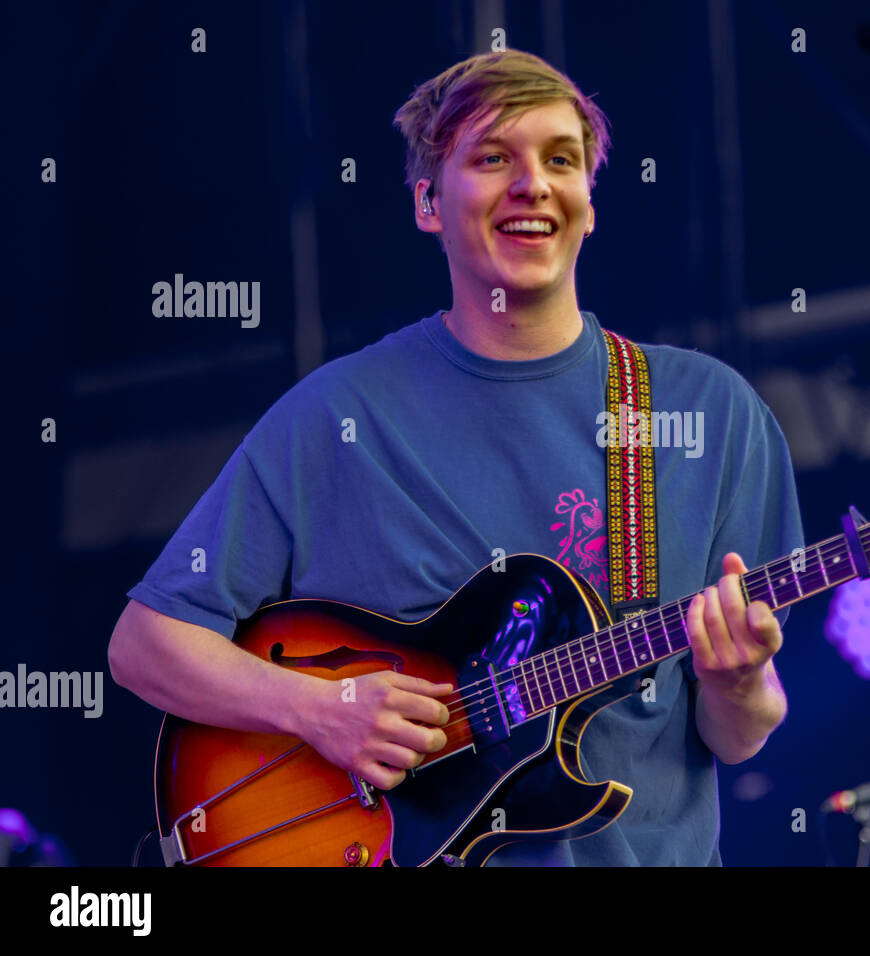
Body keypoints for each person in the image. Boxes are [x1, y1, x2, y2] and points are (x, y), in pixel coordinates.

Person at [108, 49, 804, 866]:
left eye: (560, 160)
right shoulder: (336, 415)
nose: (532, 184)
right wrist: (316, 706)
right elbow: (145, 643)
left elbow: (738, 737)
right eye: (492, 158)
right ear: (428, 203)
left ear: (588, 204)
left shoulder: (708, 414)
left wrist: (736, 682)